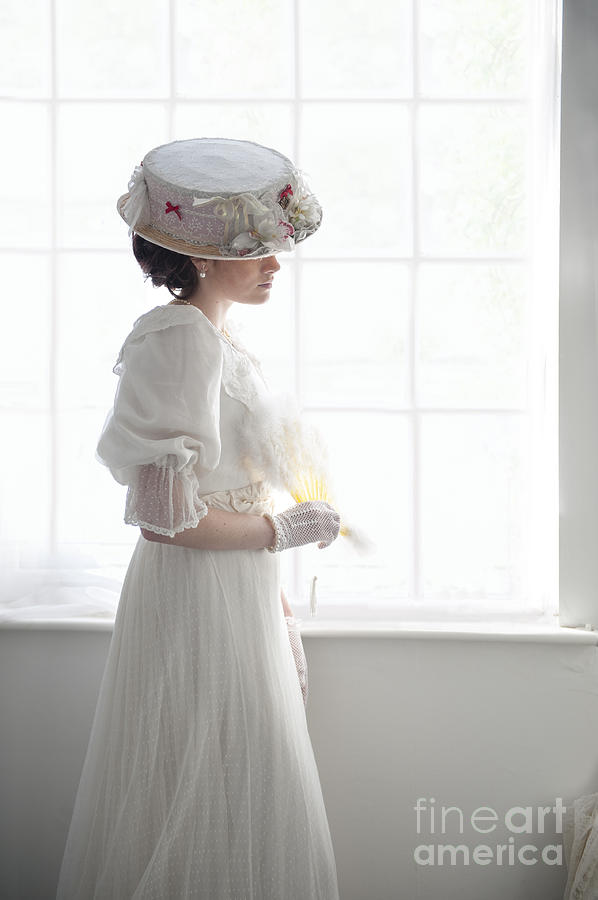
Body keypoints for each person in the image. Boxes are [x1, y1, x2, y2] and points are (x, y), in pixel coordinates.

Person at [55, 137, 341, 899]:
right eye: (259, 250)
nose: (276, 263)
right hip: (196, 596)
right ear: (204, 258)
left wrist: (275, 601)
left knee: (233, 775)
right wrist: (286, 530)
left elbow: (213, 493)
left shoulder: (219, 340)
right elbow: (165, 520)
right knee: (203, 775)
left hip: (233, 594)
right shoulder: (181, 338)